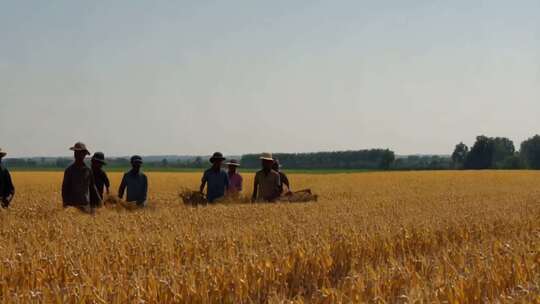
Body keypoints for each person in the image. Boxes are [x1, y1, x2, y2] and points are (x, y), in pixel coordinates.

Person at [62, 142, 101, 212]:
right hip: (72, 206)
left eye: (79, 153)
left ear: (84, 155)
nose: (76, 155)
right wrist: (65, 203)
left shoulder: (88, 170)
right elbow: (64, 188)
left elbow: (93, 186)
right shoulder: (69, 170)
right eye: (75, 152)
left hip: (85, 205)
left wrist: (99, 201)